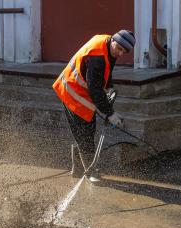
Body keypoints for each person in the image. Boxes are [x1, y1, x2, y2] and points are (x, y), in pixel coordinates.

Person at [53, 30, 136, 179]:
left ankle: (78, 170)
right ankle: (91, 172)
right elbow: (95, 90)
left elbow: (107, 70)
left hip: (80, 91)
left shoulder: (108, 45)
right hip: (73, 92)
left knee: (84, 132)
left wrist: (109, 88)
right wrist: (109, 113)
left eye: (124, 51)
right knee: (85, 133)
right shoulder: (97, 56)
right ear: (114, 41)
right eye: (119, 48)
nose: (120, 53)